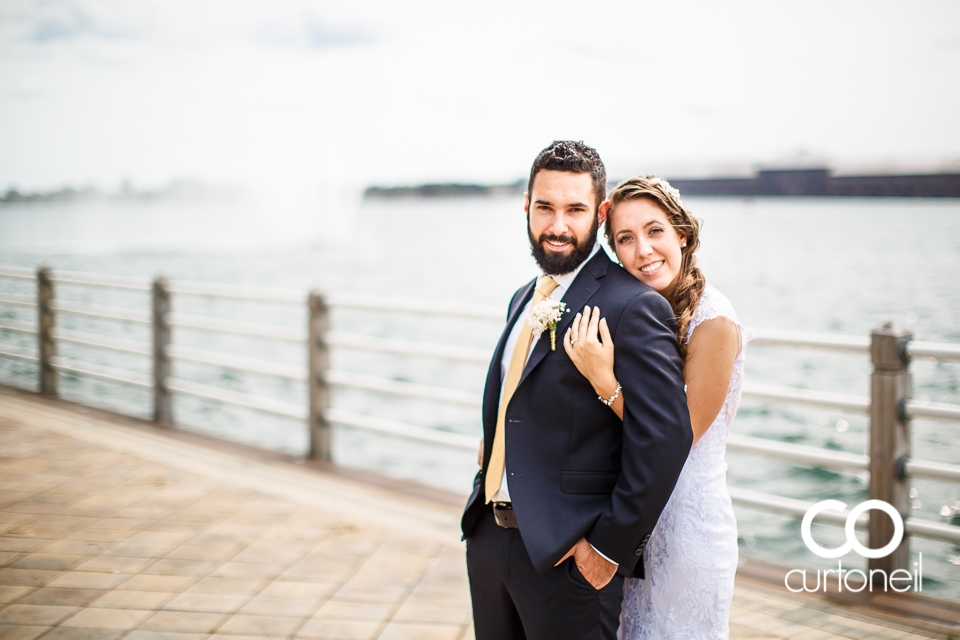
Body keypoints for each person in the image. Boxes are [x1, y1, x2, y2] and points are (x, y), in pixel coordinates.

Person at [461, 142, 692, 640]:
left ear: (601, 213)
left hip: (569, 561)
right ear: (527, 205)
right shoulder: (523, 297)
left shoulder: (633, 306)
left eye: (576, 209)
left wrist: (607, 548)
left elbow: (666, 438)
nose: (558, 225)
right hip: (489, 541)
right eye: (545, 207)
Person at [564, 176, 750, 639]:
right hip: (638, 520)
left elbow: (676, 433)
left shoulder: (714, 321)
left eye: (655, 231)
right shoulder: (643, 311)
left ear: (682, 235)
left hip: (687, 529)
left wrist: (603, 380)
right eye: (625, 239)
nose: (643, 250)